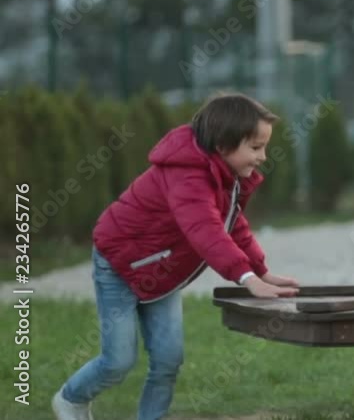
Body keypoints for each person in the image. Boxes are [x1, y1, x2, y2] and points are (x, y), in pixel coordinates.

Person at [52, 92, 301, 420]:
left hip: (161, 271)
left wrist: (261, 270)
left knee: (169, 359)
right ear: (223, 144)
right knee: (118, 361)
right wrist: (246, 278)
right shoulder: (188, 176)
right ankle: (70, 399)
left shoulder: (224, 176)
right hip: (120, 265)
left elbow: (231, 224)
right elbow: (206, 230)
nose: (263, 156)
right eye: (256, 147)